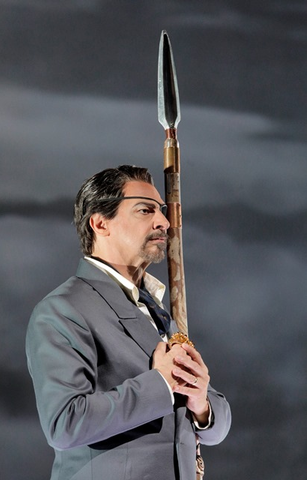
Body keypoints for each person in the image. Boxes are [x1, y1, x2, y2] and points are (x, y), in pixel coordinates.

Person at [26, 165, 231, 480]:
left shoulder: (158, 310)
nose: (163, 222)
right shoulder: (62, 310)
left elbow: (215, 429)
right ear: (100, 223)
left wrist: (202, 403)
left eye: (161, 210)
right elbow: (64, 424)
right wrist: (162, 383)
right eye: (145, 210)